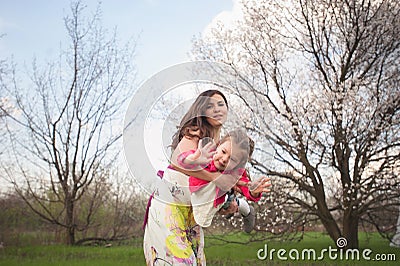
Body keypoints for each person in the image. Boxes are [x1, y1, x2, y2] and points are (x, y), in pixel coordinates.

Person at [143, 90, 270, 265]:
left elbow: (235, 183)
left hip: (191, 209)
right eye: (210, 105)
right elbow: (177, 162)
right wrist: (213, 174)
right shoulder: (195, 132)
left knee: (195, 259)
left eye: (221, 105)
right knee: (177, 260)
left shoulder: (223, 144)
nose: (216, 109)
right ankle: (238, 205)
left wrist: (249, 191)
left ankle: (239, 205)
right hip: (170, 203)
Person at [177, 129, 266, 233]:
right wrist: (193, 158)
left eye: (232, 159)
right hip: (198, 193)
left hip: (220, 198)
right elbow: (180, 160)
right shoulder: (205, 155)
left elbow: (247, 189)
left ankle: (246, 210)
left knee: (228, 202)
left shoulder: (236, 174)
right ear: (218, 145)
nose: (224, 159)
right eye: (223, 152)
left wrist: (254, 191)